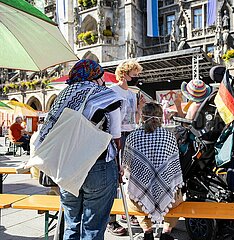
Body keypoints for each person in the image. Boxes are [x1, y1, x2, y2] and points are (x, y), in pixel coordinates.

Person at [34, 59, 123, 239]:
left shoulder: (62, 96)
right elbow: (116, 137)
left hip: (66, 167)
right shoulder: (107, 95)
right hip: (98, 166)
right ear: (96, 77)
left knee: (71, 223)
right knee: (93, 227)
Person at [122, 102, 184, 240]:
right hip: (169, 201)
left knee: (133, 192)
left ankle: (147, 231)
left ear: (142, 117)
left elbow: (125, 167)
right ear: (161, 117)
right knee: (177, 198)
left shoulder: (132, 137)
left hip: (138, 202)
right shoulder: (169, 136)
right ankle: (166, 232)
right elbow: (175, 170)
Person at [108, 59, 144, 235]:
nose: (137, 78)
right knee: (116, 176)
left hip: (130, 134)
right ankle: (111, 219)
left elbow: (134, 120)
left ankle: (127, 212)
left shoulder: (132, 94)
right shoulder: (112, 91)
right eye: (134, 75)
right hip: (116, 135)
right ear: (124, 74)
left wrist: (140, 108)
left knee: (130, 176)